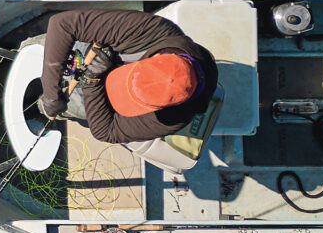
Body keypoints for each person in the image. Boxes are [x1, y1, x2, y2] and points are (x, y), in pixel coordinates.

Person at [36, 8, 218, 145]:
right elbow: (62, 24)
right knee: (39, 49)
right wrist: (51, 93)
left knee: (59, 107)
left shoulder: (174, 118)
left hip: (95, 95)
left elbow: (106, 131)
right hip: (88, 54)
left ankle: (38, 110)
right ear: (156, 57)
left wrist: (92, 82)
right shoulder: (154, 31)